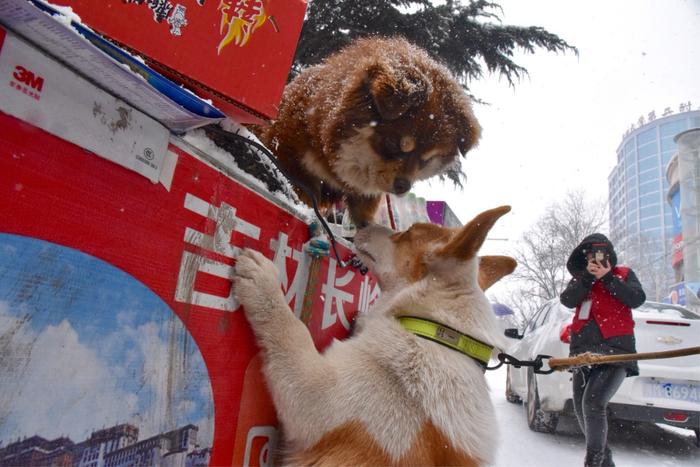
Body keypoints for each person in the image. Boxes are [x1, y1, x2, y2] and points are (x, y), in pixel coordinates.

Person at [560, 233, 646, 467]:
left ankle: (593, 462)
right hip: (583, 353)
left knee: (593, 403)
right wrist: (587, 278)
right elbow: (567, 300)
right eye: (591, 255)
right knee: (580, 407)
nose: (596, 259)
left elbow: (636, 298)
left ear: (609, 256)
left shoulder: (623, 275)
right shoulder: (580, 279)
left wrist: (608, 278)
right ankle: (604, 460)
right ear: (585, 257)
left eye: (601, 254)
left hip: (615, 352)